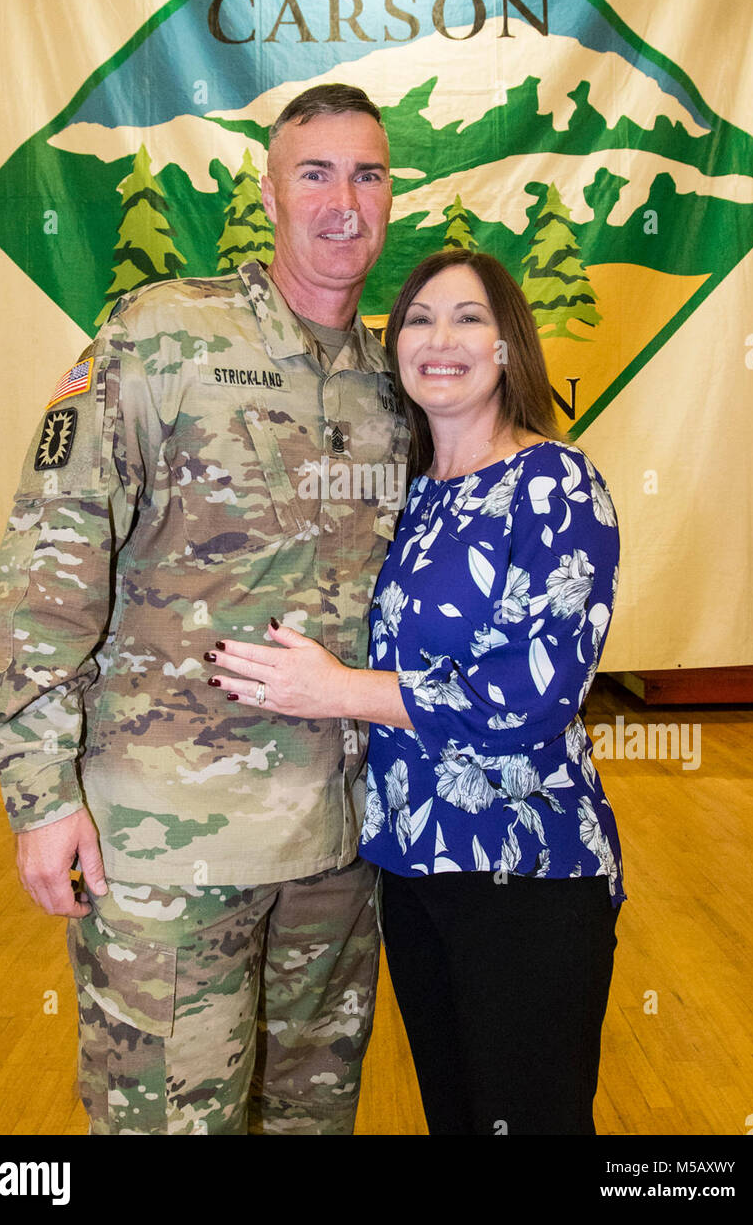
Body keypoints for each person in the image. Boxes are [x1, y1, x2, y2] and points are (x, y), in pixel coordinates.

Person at [0, 82, 408, 1135]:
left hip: (338, 852)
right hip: (166, 848)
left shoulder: (395, 381)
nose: (341, 200)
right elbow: (49, 556)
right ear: (269, 190)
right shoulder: (164, 336)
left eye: (367, 174)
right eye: (314, 172)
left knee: (310, 1119)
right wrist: (39, 791)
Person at [208, 247, 625, 1136]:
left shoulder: (556, 482)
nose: (441, 339)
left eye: (469, 318)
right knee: (460, 1117)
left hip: (525, 866)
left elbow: (534, 697)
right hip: (412, 860)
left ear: (509, 345)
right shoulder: (410, 493)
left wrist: (338, 691)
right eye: (420, 321)